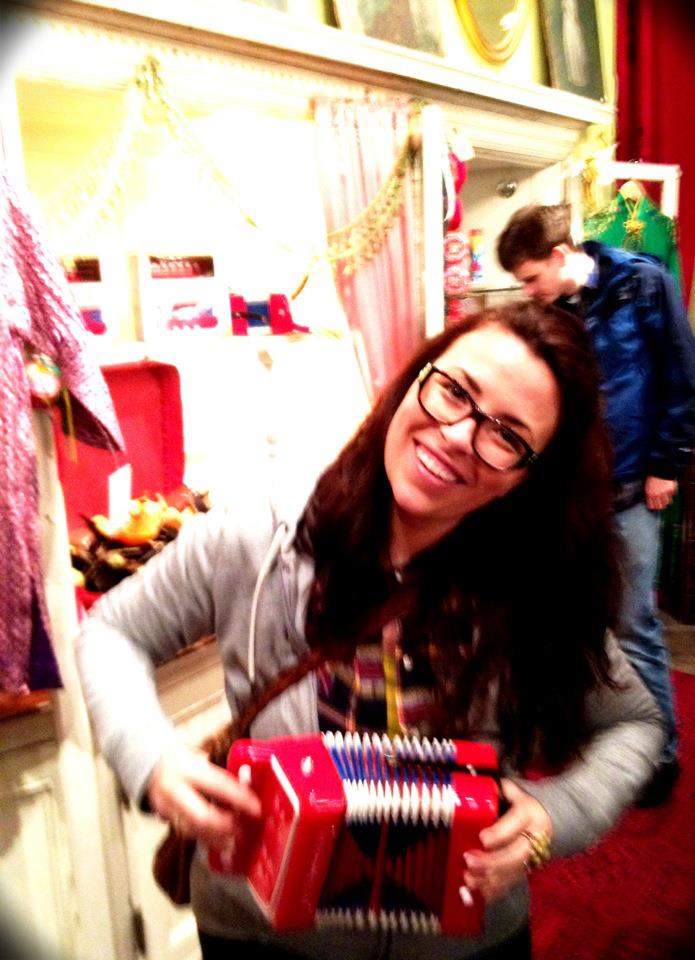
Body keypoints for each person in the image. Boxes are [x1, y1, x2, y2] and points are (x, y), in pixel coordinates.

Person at [77, 302, 664, 960]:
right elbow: (113, 632)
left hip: (460, 939)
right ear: (413, 380)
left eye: (505, 434)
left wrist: (555, 815)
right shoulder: (260, 532)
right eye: (454, 391)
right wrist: (152, 756)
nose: (456, 435)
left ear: (525, 477)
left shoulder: (535, 584)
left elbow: (635, 724)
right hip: (263, 929)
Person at [497, 203, 695, 807]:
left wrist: (668, 464)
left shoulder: (644, 282)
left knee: (633, 626)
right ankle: (579, 731)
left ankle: (658, 756)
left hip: (633, 487)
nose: (528, 292)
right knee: (569, 619)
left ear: (561, 256)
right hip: (568, 494)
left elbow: (682, 379)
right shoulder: (549, 313)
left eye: (531, 278)